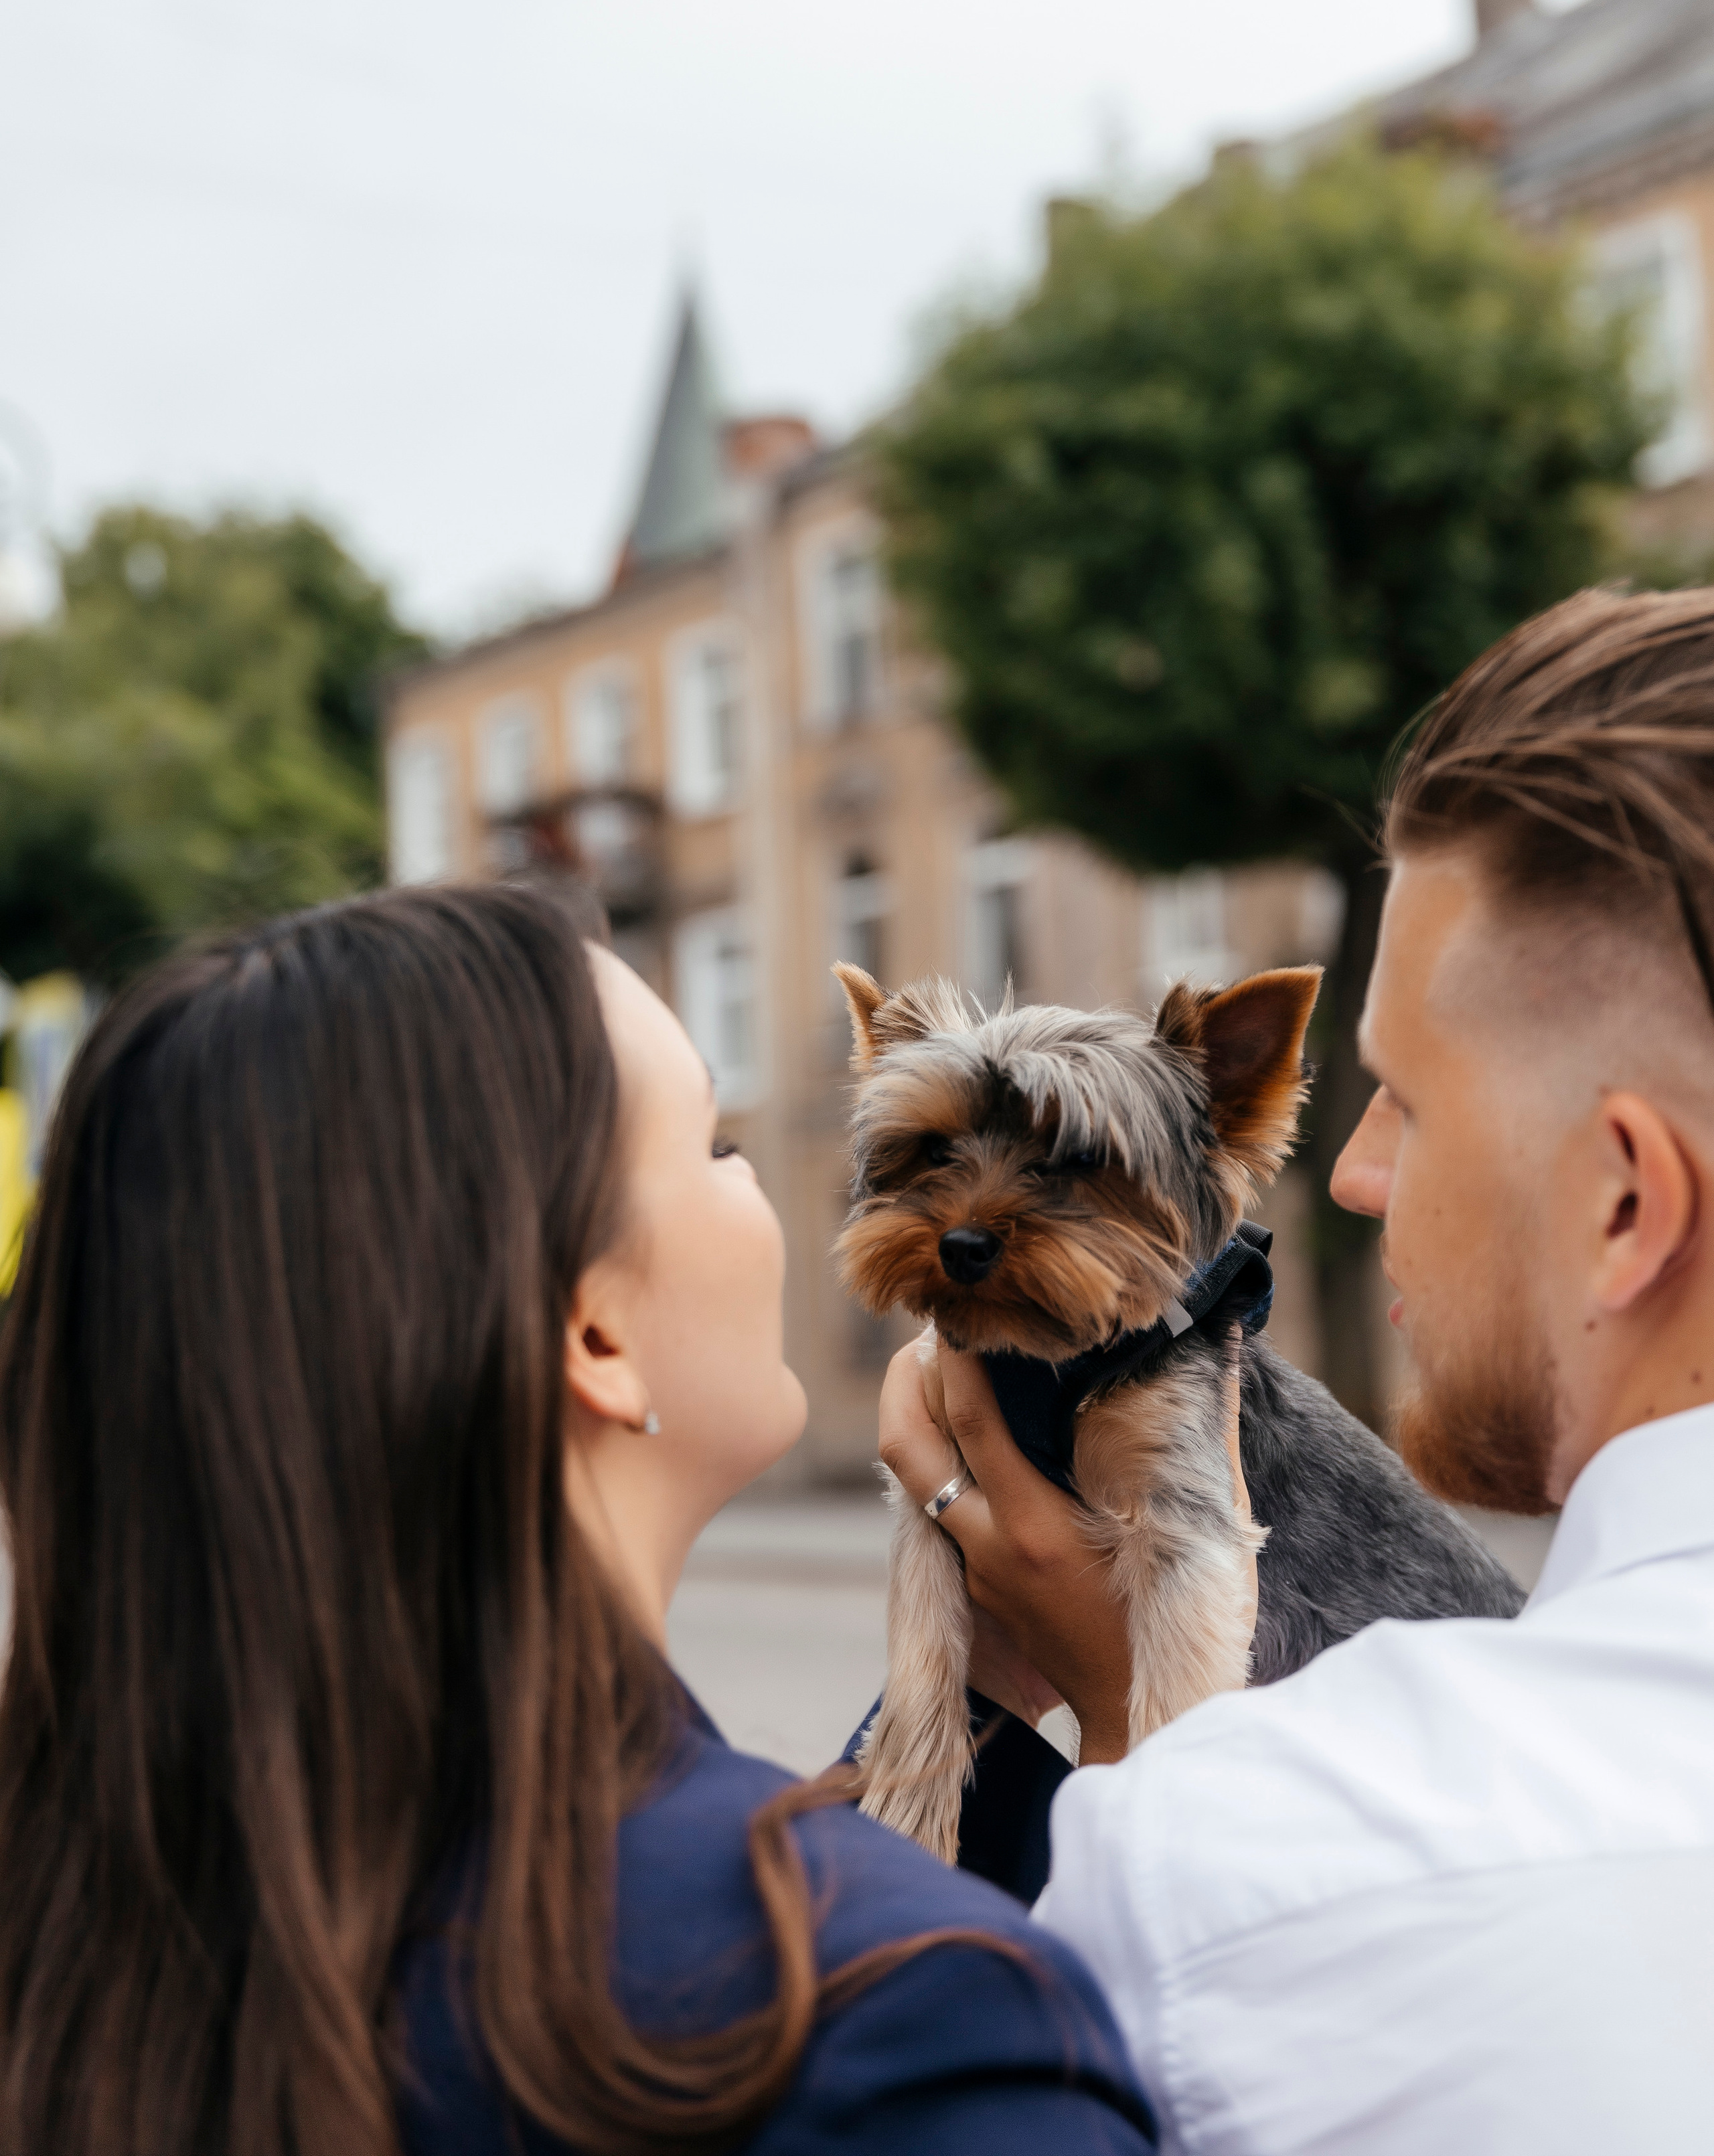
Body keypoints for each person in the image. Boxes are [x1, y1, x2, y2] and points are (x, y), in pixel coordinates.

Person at [0, 882, 1156, 2156]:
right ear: (595, 1332)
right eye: (715, 1145)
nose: (763, 1183)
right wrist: (1142, 1743)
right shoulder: (910, 2027)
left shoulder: (90, 1933)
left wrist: (976, 1697)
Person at [880, 584, 1714, 2155]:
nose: (1350, 1177)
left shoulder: (1267, 1860)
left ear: (1623, 1201)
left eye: (1401, 1098)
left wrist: (1132, 1734)